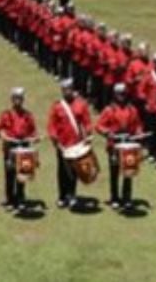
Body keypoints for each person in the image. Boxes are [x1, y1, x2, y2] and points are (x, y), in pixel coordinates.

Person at [95, 82, 142, 210]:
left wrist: (138, 133)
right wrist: (107, 133)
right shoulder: (109, 110)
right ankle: (114, 198)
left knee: (128, 172)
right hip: (114, 145)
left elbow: (138, 125)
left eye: (123, 94)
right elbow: (99, 125)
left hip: (128, 144)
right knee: (114, 172)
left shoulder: (132, 109)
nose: (122, 96)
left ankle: (127, 198)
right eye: (119, 94)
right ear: (114, 95)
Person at [48, 78, 93, 209]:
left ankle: (72, 195)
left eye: (69, 89)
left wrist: (88, 135)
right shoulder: (57, 106)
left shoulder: (81, 104)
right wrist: (54, 139)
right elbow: (51, 125)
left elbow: (87, 122)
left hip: (76, 144)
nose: (67, 92)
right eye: (64, 90)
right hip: (62, 144)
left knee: (74, 171)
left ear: (72, 89)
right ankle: (62, 196)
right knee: (62, 171)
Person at [0, 87, 37, 212]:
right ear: (12, 99)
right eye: (15, 98)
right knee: (10, 175)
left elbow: (33, 131)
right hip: (10, 148)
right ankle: (10, 200)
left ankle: (21, 199)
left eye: (20, 98)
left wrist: (34, 138)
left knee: (22, 175)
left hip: (24, 147)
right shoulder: (6, 114)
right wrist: (2, 135)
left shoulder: (28, 115)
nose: (18, 100)